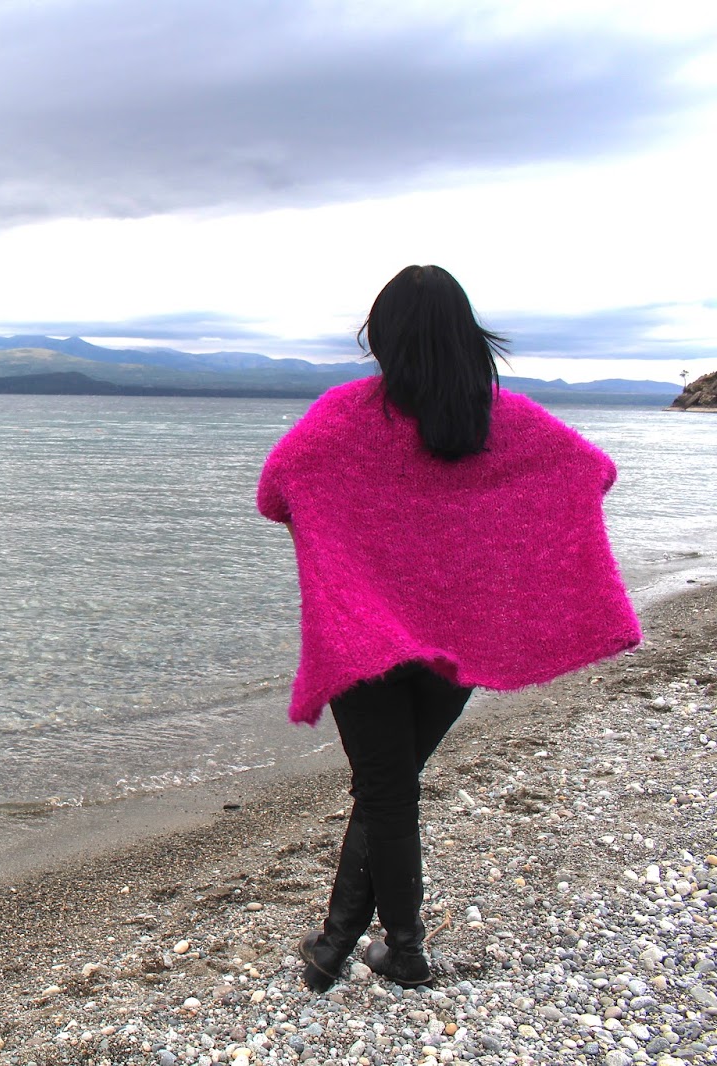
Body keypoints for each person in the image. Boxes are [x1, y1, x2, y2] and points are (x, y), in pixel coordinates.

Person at [256, 265, 641, 990]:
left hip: (365, 636)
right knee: (389, 787)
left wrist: (357, 530)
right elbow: (592, 470)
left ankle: (397, 950)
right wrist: (482, 530)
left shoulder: (345, 415)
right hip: (458, 639)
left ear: (385, 337)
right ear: (467, 335)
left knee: (385, 790)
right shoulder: (504, 419)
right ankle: (340, 946)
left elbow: (276, 493)